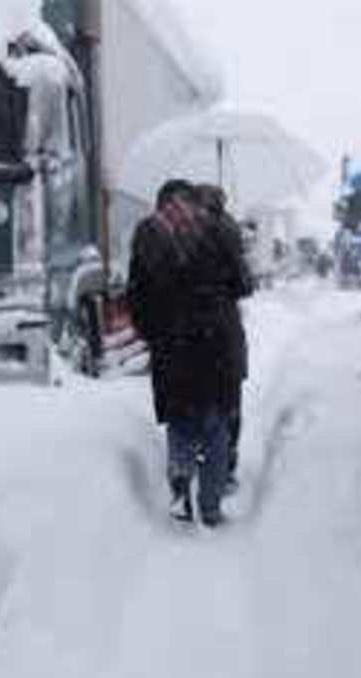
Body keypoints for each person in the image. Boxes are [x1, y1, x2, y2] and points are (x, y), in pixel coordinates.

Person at [127, 180, 250, 526]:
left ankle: (181, 484)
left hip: (172, 343)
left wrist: (154, 334)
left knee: (180, 421)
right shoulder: (218, 230)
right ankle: (210, 506)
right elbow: (242, 283)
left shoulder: (150, 232)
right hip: (216, 342)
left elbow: (136, 294)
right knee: (215, 426)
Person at [193, 184, 254, 496]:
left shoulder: (181, 232)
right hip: (223, 330)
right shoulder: (228, 230)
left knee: (198, 403)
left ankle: (195, 468)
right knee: (228, 404)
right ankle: (223, 472)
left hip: (188, 334)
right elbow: (244, 284)